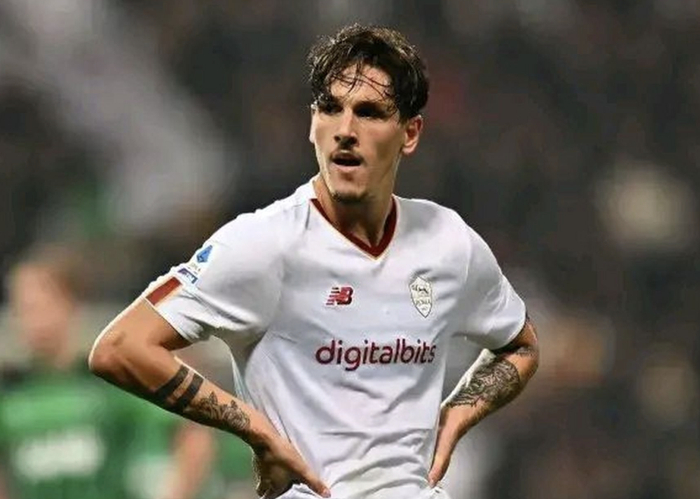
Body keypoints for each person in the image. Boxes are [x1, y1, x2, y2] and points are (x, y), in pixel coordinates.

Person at [89, 24, 540, 499]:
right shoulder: (264, 244)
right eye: (330, 108)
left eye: (369, 112)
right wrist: (256, 431)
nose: (345, 131)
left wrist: (456, 416)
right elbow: (120, 347)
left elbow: (520, 346)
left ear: (410, 133)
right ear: (312, 123)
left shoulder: (447, 241)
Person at [0, 246, 215, 499]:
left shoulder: (110, 378)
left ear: (70, 304)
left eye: (39, 306)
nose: (32, 320)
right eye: (21, 309)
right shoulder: (10, 394)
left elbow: (193, 431)